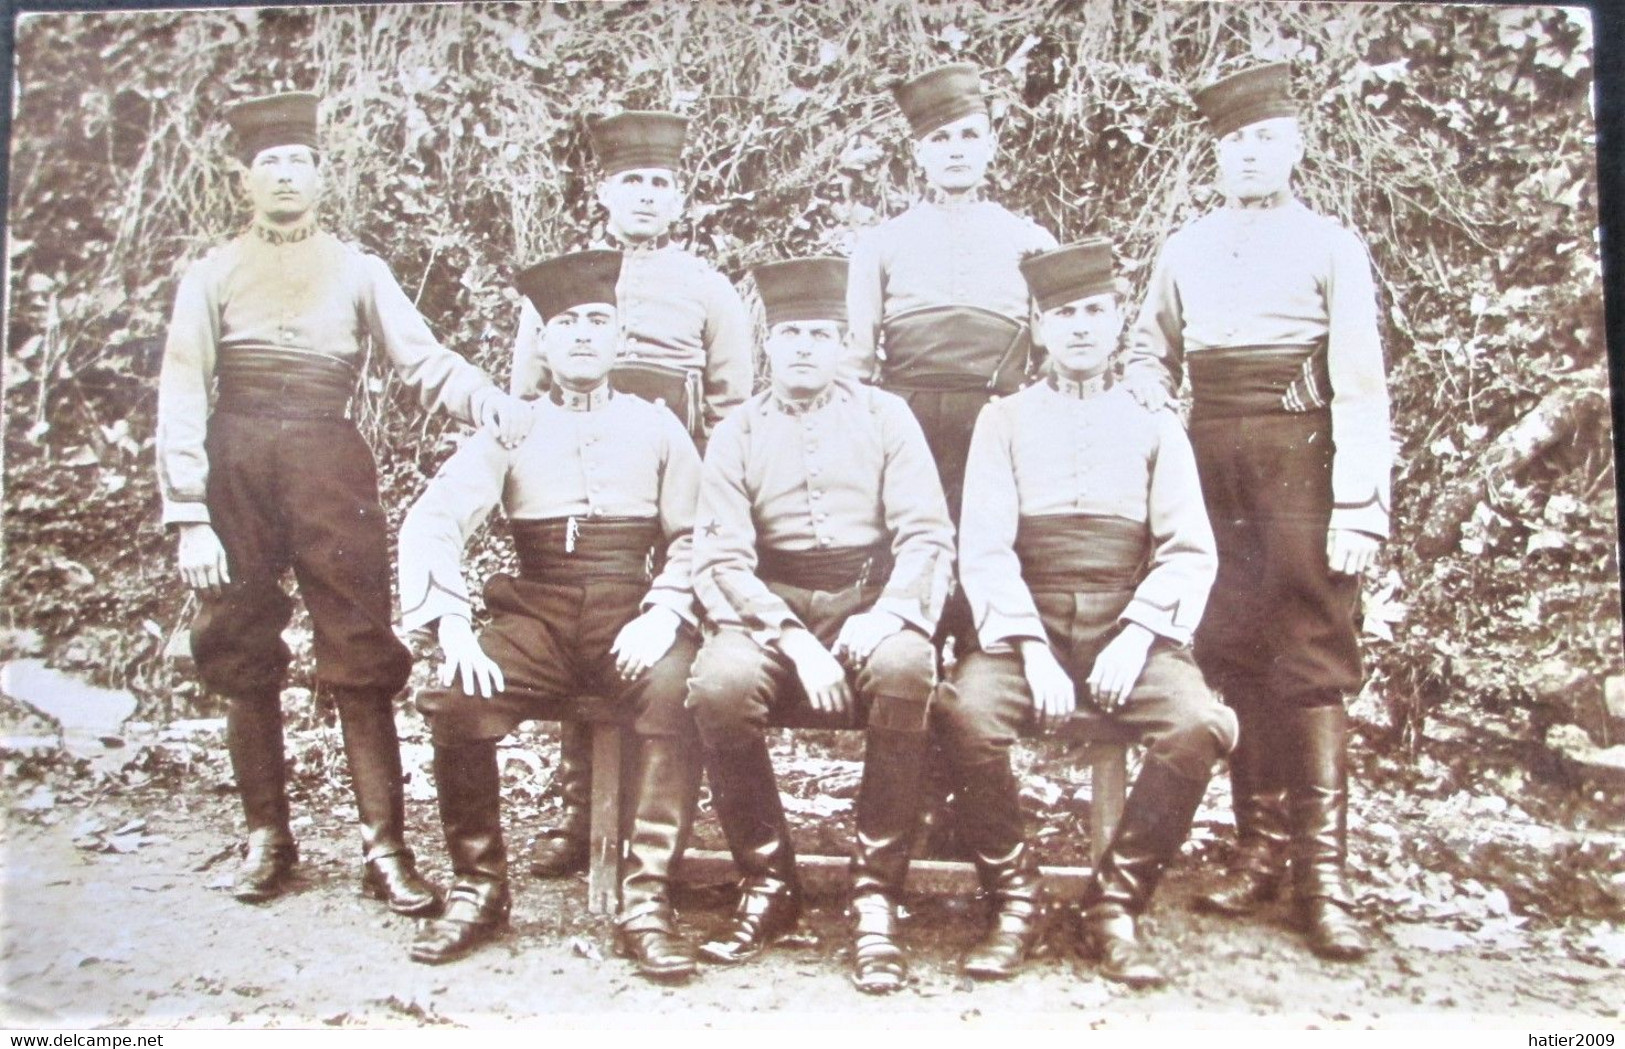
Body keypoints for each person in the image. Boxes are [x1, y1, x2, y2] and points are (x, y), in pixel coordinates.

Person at [156, 91, 528, 913]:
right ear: (243, 180)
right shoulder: (211, 275)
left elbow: (423, 360)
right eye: (270, 164)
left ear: (322, 176)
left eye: (300, 162)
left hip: (329, 460)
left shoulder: (360, 269)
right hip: (235, 463)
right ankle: (268, 838)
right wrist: (189, 513)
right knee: (240, 644)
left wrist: (484, 397)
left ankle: (384, 847)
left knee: (359, 649)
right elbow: (183, 389)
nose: (286, 176)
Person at [1122, 62, 1392, 961]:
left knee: (1310, 650)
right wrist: (1160, 414)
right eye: (1234, 143)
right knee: (1232, 645)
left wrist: (1358, 502)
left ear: (1294, 147)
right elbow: (1147, 352)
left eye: (1265, 140)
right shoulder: (1186, 247)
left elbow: (1359, 384)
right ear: (1216, 154)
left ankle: (1324, 877)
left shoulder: (1330, 246)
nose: (1248, 156)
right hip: (1209, 461)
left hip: (1302, 456)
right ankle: (1258, 850)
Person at [937, 239, 1237, 987]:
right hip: (1022, 626)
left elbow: (1186, 549)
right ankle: (1015, 900)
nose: (1079, 327)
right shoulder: (1001, 421)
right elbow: (984, 547)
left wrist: (1136, 635)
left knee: (1195, 725)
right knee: (966, 714)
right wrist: (1031, 649)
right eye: (1063, 314)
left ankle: (1114, 903)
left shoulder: (1155, 422)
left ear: (1116, 323)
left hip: (1124, 626)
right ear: (1038, 328)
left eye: (1094, 312)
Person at [399, 249, 705, 978]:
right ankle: (480, 886)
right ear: (539, 341)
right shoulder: (511, 426)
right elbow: (433, 519)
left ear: (619, 336)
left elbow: (698, 533)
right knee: (455, 694)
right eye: (564, 323)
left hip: (629, 612)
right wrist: (450, 624)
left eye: (597, 321)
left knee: (676, 688)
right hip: (535, 613)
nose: (582, 336)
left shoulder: (658, 426)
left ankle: (646, 897)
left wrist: (664, 610)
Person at [686, 257, 955, 994]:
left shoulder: (884, 415)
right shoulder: (736, 429)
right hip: (767, 603)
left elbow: (927, 535)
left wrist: (891, 611)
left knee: (905, 668)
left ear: (842, 343)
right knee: (719, 682)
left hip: (867, 599)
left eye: (820, 333)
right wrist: (791, 636)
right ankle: (768, 881)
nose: (804, 347)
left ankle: (875, 894)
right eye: (790, 333)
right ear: (768, 342)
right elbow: (719, 557)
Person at [513, 110, 754, 880]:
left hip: (673, 483)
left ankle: (664, 818)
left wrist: (712, 500)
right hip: (586, 489)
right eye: (631, 183)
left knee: (668, 642)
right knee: (576, 614)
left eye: (660, 183)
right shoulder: (562, 287)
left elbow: (731, 408)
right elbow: (525, 398)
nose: (646, 197)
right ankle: (580, 808)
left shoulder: (709, 288)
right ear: (602, 191)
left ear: (679, 197)